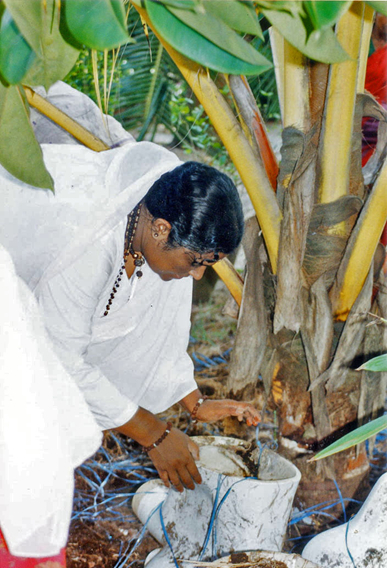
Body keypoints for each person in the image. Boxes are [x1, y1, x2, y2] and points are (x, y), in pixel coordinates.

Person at [0, 83, 259, 498]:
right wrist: (153, 435)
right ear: (160, 230)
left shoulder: (161, 216)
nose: (196, 277)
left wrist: (193, 402)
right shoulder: (83, 242)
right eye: (196, 263)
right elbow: (57, 356)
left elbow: (161, 326)